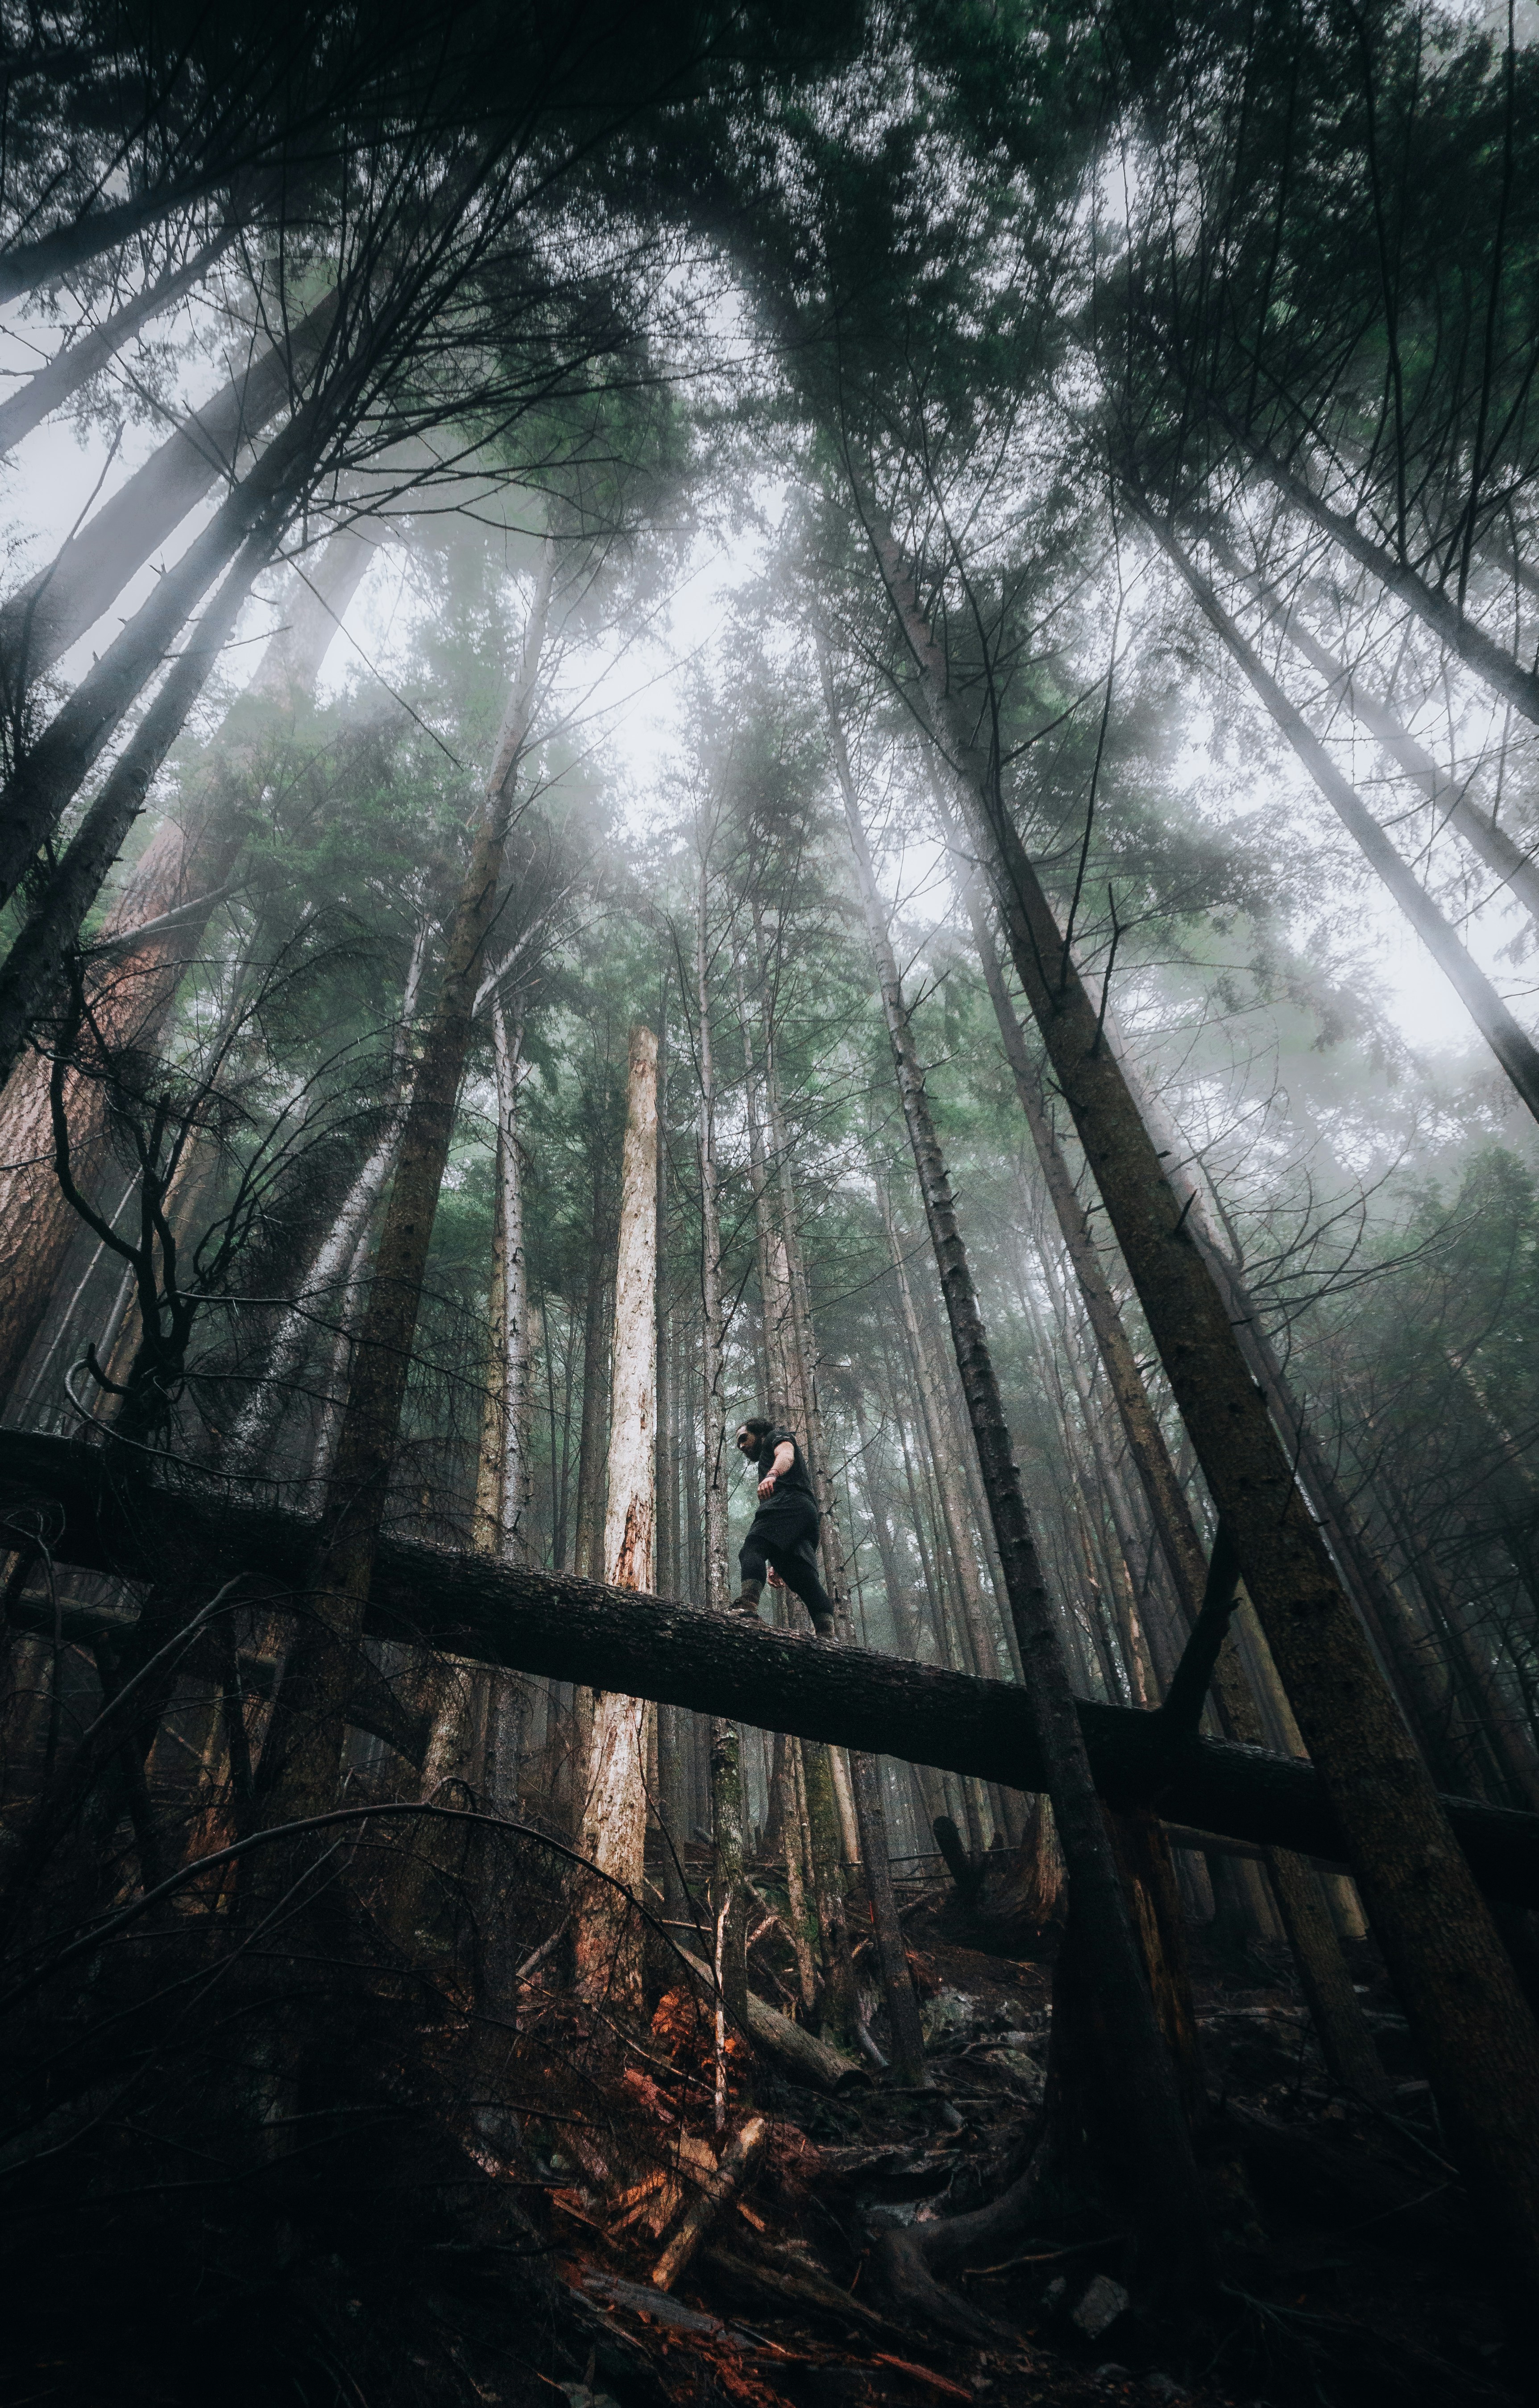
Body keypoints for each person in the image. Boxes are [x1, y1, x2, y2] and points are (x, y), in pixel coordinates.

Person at [732, 1415, 837, 1638]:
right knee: (802, 1578)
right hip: (803, 1517)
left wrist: (772, 1475)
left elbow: (786, 1454)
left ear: (759, 1433)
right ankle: (828, 1636)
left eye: (744, 1438)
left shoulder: (776, 1435)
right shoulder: (768, 1451)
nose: (741, 1446)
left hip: (788, 1502)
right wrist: (777, 1559)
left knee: (753, 1549)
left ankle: (746, 1608)